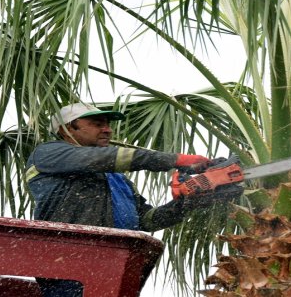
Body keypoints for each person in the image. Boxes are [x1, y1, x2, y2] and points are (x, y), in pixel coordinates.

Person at [25, 103, 242, 296]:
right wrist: (177, 160)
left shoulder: (117, 180)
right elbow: (108, 158)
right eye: (97, 123)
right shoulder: (48, 153)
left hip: (113, 263)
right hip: (67, 258)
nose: (107, 129)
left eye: (108, 124)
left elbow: (146, 220)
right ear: (67, 128)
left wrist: (188, 202)